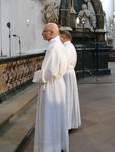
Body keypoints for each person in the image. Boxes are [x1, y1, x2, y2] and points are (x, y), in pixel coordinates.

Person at [33, 23, 69, 152]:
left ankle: (49, 148)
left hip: (51, 86)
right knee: (56, 116)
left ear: (52, 33)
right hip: (57, 85)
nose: (42, 33)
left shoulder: (54, 48)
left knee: (49, 117)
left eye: (44, 31)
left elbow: (49, 72)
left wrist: (37, 75)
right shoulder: (58, 45)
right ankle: (56, 145)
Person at [59, 30, 81, 130]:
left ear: (63, 38)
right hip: (68, 74)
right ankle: (69, 123)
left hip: (66, 74)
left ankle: (67, 125)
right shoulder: (69, 46)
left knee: (67, 98)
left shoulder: (67, 48)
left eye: (59, 37)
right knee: (69, 98)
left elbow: (63, 63)